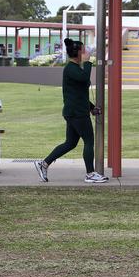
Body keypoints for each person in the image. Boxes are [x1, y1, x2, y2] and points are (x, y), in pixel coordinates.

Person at [34, 38, 108, 183]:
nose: (86, 53)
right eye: (84, 50)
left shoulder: (75, 69)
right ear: (78, 52)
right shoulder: (71, 69)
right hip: (77, 113)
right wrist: (88, 62)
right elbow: (84, 77)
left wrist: (91, 107)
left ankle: (43, 164)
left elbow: (78, 94)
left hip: (75, 111)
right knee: (89, 140)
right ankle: (90, 174)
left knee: (70, 143)